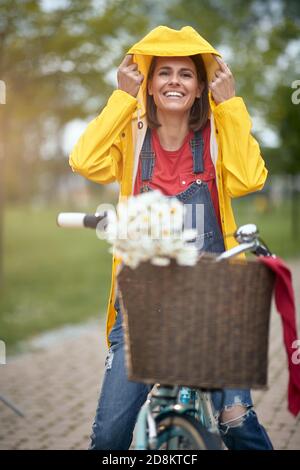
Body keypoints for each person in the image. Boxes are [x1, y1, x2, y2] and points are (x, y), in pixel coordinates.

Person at [69, 25, 273, 450]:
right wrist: (123, 97)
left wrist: (231, 104)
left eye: (185, 74)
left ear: (200, 87)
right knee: (108, 437)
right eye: (164, 73)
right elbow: (84, 159)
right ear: (148, 81)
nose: (174, 82)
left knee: (237, 424)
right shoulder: (131, 132)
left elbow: (251, 178)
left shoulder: (217, 136)